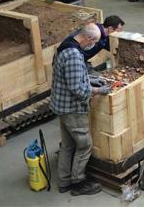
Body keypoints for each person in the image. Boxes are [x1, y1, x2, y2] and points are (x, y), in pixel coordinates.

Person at [50, 23, 110, 196]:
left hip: (61, 105)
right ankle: (78, 183)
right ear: (89, 39)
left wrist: (90, 80)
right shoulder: (74, 55)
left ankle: (64, 182)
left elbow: (72, 77)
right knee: (84, 145)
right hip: (72, 108)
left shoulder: (68, 43)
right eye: (95, 42)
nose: (94, 45)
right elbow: (77, 89)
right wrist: (98, 90)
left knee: (68, 145)